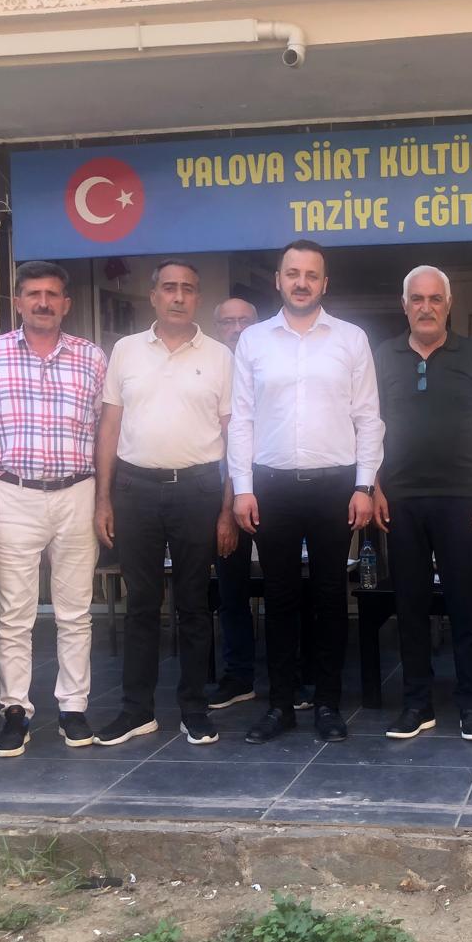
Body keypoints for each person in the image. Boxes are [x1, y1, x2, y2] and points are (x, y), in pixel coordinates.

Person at [228, 239, 384, 744]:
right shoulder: (253, 341)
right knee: (279, 597)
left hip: (335, 487)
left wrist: (364, 485)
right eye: (292, 273)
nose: (301, 282)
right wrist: (242, 488)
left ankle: (328, 703)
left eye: (311, 275)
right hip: (270, 486)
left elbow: (368, 418)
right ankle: (280, 705)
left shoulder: (351, 339)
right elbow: (242, 419)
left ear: (324, 283)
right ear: (278, 280)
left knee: (330, 597)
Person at [0, 261, 108, 758]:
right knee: (14, 614)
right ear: (18, 302)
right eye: (33, 294)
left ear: (66, 304)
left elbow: (105, 432)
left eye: (52, 294)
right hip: (13, 494)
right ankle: (16, 711)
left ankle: (73, 707)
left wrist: (103, 497)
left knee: (75, 612)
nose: (43, 302)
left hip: (76, 493)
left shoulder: (93, 358)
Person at [94, 261, 234, 746]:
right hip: (135, 489)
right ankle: (137, 710)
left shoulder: (219, 356)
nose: (178, 296)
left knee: (194, 604)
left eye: (187, 289)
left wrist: (227, 507)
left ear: (198, 299)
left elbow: (234, 434)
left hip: (199, 490)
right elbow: (110, 426)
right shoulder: (125, 350)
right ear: (153, 295)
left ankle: (194, 709)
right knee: (141, 604)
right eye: (169, 288)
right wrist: (103, 499)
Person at [371, 265, 472, 742]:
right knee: (410, 606)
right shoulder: (383, 356)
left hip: (461, 496)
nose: (426, 307)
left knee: (465, 604)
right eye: (417, 299)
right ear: (404, 305)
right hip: (399, 499)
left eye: (435, 299)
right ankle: (416, 704)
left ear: (449, 304)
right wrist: (373, 486)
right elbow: (367, 423)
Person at [206, 297, 264, 710]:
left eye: (245, 320)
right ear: (218, 327)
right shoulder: (210, 366)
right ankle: (239, 674)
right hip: (224, 494)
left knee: (288, 586)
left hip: (276, 488)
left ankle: (298, 674)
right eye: (228, 322)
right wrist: (227, 508)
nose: (237, 328)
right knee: (232, 589)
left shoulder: (269, 360)